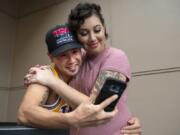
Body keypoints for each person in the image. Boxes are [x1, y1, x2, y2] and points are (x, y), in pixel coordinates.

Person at [24, 2, 142, 135]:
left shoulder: (116, 56)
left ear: (104, 28)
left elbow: (98, 107)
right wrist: (37, 73)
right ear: (77, 37)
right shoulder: (78, 59)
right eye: (84, 33)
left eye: (97, 30)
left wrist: (51, 80)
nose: (92, 38)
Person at [17, 24, 119, 128]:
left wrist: (130, 120)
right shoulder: (43, 75)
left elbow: (97, 108)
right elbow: (24, 114)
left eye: (75, 52)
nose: (72, 60)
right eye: (63, 55)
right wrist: (71, 119)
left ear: (81, 51)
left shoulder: (80, 74)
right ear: (51, 57)